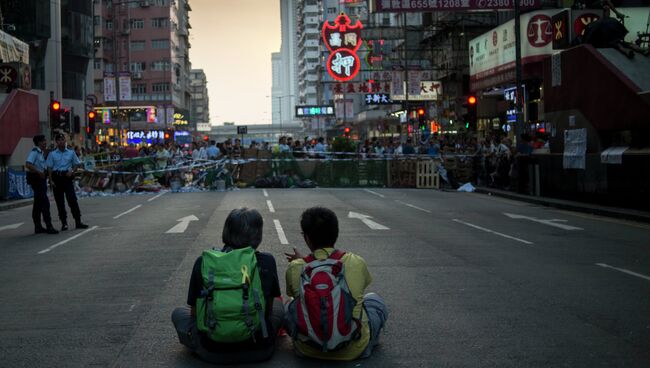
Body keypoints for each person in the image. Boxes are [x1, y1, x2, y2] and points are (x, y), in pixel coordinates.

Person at [172, 208, 284, 364]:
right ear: (258, 236)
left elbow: (195, 313)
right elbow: (268, 310)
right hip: (259, 350)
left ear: (227, 231)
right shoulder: (266, 261)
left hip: (211, 351)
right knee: (279, 305)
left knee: (178, 313)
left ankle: (199, 343)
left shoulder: (204, 262)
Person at [284, 207, 388, 360]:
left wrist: (301, 261)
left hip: (307, 349)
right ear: (335, 233)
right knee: (373, 299)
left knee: (289, 303)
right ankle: (367, 339)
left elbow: (297, 297)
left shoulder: (296, 267)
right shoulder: (356, 262)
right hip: (354, 350)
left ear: (306, 237)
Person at [46, 134, 89, 231]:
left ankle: (78, 221)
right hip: (57, 178)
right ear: (56, 142)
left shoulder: (71, 152)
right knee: (59, 202)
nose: (61, 141)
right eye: (59, 140)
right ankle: (64, 223)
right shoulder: (52, 154)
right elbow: (49, 167)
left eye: (63, 139)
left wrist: (72, 171)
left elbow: (76, 164)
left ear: (65, 141)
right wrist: (51, 180)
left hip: (67, 178)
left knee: (72, 200)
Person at [25, 135, 58, 234]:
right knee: (45, 203)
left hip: (41, 180)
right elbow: (28, 164)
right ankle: (49, 226)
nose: (45, 143)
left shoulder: (41, 153)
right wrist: (39, 172)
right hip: (37, 180)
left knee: (38, 204)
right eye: (43, 141)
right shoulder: (35, 152)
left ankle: (38, 226)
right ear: (39, 142)